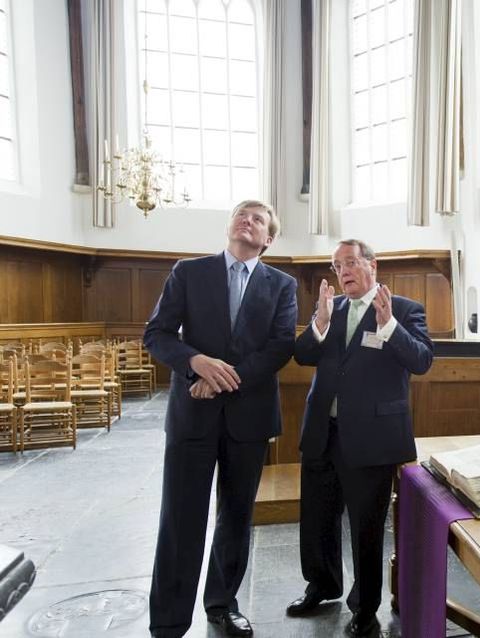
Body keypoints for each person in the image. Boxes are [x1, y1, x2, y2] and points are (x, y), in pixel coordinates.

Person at [145, 200, 298, 638]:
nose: (246, 220)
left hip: (247, 419)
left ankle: (223, 603)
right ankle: (170, 618)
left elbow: (279, 347)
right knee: (180, 516)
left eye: (258, 218)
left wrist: (220, 378)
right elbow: (156, 334)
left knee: (236, 517)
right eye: (241, 214)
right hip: (192, 417)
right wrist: (195, 362)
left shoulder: (282, 285)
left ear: (268, 239)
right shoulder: (189, 272)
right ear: (230, 225)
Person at [286, 239, 433, 637]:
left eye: (350, 262)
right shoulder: (329, 311)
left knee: (366, 529)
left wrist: (388, 326)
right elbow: (302, 355)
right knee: (317, 519)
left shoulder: (403, 309)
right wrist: (317, 323)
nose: (343, 271)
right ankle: (322, 584)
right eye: (337, 266)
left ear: (372, 265)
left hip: (372, 438)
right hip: (322, 432)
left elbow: (421, 360)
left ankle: (364, 607)